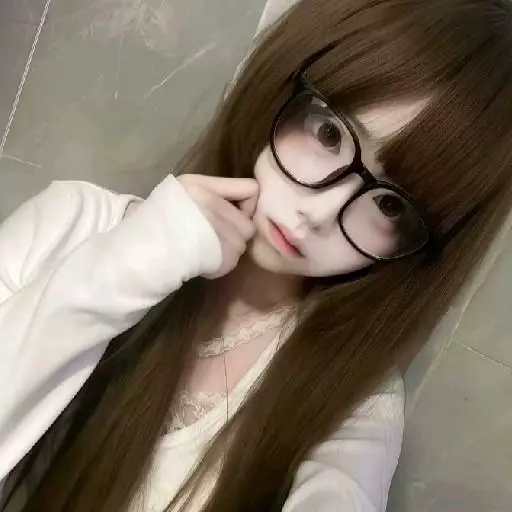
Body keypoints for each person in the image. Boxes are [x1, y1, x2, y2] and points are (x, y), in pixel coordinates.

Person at [1, 0, 511, 510]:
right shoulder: (73, 225)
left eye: (389, 204)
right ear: (283, 81)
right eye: (330, 134)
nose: (320, 212)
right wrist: (132, 262)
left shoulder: (354, 403)